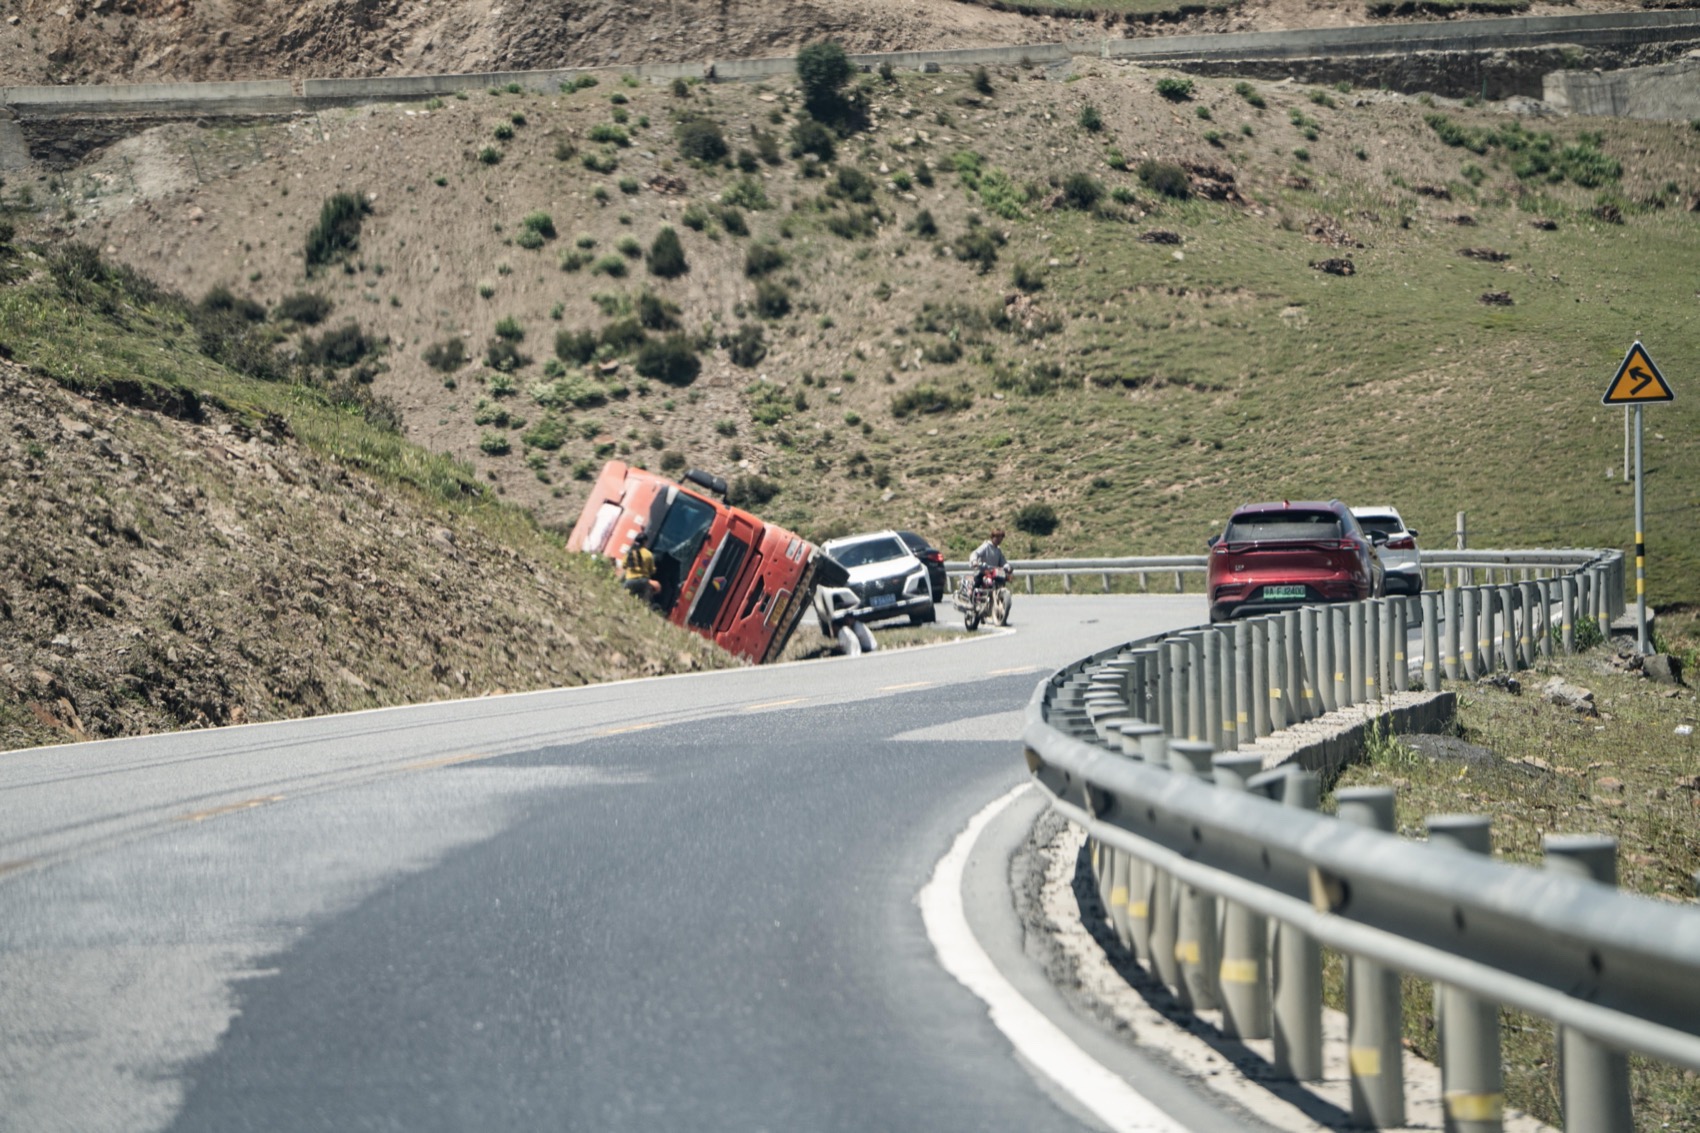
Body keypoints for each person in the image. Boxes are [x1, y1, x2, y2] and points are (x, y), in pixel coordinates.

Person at [620, 523, 660, 604]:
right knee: (643, 603)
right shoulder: (649, 554)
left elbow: (623, 565)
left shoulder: (630, 552)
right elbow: (652, 570)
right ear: (645, 542)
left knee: (623, 599)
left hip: (630, 581)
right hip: (643, 582)